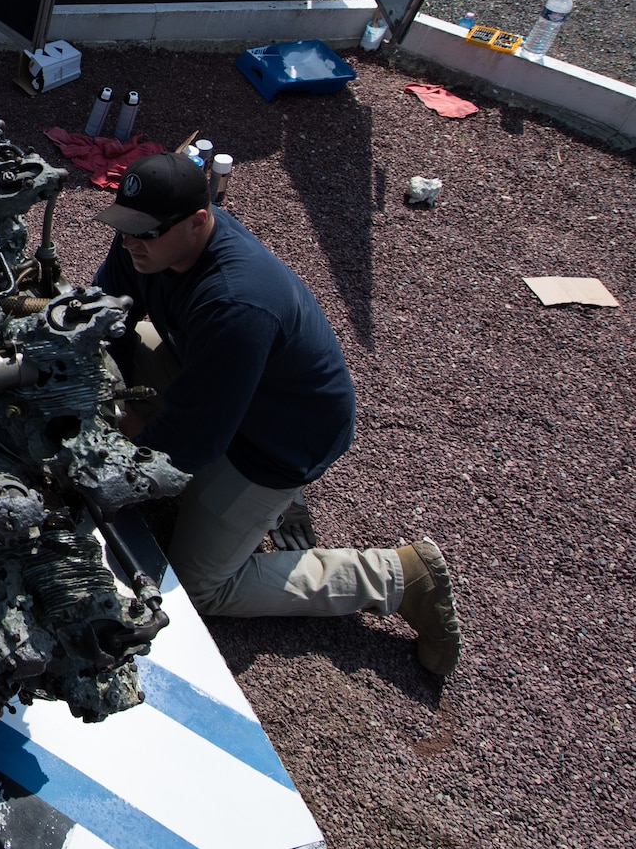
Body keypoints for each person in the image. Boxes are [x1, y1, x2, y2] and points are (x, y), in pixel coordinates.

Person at [93, 153, 461, 678]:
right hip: (228, 382)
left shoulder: (236, 304)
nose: (130, 244)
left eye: (144, 234)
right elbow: (110, 316)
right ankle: (264, 507)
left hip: (278, 441)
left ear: (199, 220)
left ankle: (397, 576)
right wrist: (109, 395)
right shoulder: (147, 240)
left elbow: (186, 448)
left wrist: (117, 436)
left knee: (202, 588)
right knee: (124, 367)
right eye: (124, 229)